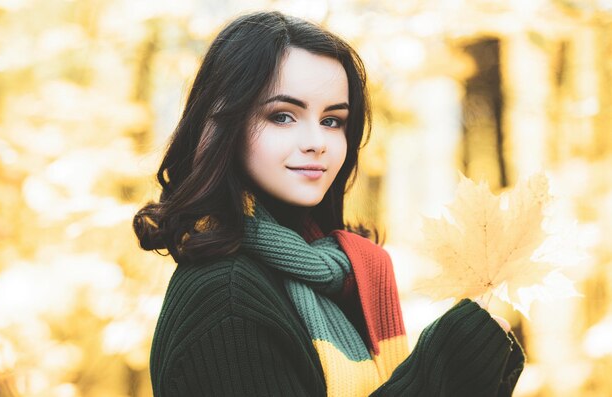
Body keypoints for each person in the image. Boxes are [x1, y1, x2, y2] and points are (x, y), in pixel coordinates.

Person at [133, 10, 525, 397]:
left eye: (332, 120)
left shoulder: (337, 277)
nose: (316, 141)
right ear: (224, 125)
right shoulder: (226, 296)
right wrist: (443, 369)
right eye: (283, 116)